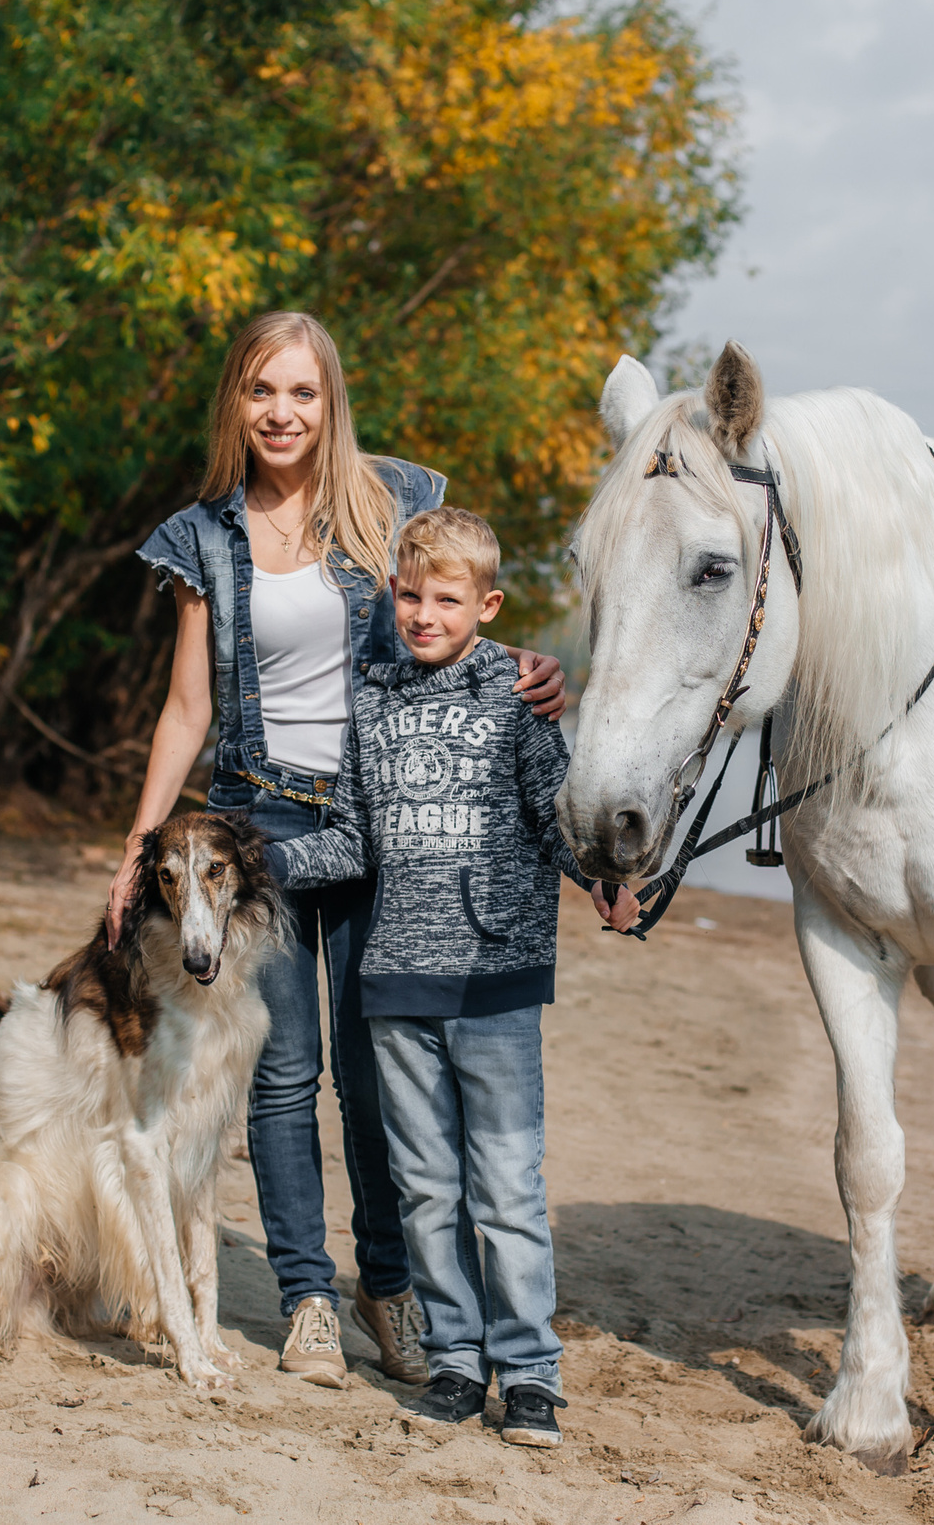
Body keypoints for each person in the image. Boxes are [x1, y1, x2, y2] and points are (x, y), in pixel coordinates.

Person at [123, 312, 567, 1389]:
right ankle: (307, 1297)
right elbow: (187, 705)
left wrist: (529, 667)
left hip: (383, 820)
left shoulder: (393, 501)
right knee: (281, 1076)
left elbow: (444, 613)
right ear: (237, 400)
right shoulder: (204, 536)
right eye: (262, 391)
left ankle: (389, 1286)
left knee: (373, 1076)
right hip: (255, 827)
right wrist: (135, 845)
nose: (282, 413)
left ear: (332, 402)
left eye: (303, 393)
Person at [265, 506, 637, 1448]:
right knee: (428, 1188)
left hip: (496, 984)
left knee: (507, 1187)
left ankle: (532, 1372)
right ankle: (458, 1364)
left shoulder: (519, 694)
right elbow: (351, 838)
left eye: (445, 599)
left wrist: (603, 876)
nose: (423, 613)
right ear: (390, 595)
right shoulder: (370, 695)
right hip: (395, 984)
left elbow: (552, 816)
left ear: (487, 603)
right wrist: (259, 866)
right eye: (409, 594)